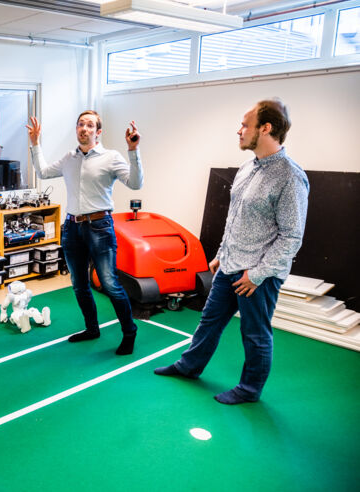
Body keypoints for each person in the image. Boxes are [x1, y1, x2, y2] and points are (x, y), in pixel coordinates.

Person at [154, 99, 309, 405]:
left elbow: (292, 237)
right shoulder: (247, 167)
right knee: (209, 321)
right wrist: (221, 254)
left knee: (255, 334)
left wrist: (257, 274)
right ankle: (189, 366)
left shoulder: (290, 177)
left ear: (266, 128)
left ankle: (250, 389)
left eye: (245, 125)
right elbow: (235, 217)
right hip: (230, 265)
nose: (239, 131)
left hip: (257, 276)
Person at [27, 111, 143, 355]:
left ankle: (129, 332)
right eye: (81, 124)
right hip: (71, 227)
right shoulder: (70, 158)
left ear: (98, 132)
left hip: (100, 227)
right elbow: (44, 172)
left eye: (90, 125)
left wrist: (133, 151)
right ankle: (92, 329)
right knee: (79, 285)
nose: (84, 128)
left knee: (110, 284)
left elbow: (135, 183)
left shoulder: (111, 157)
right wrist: (35, 143)